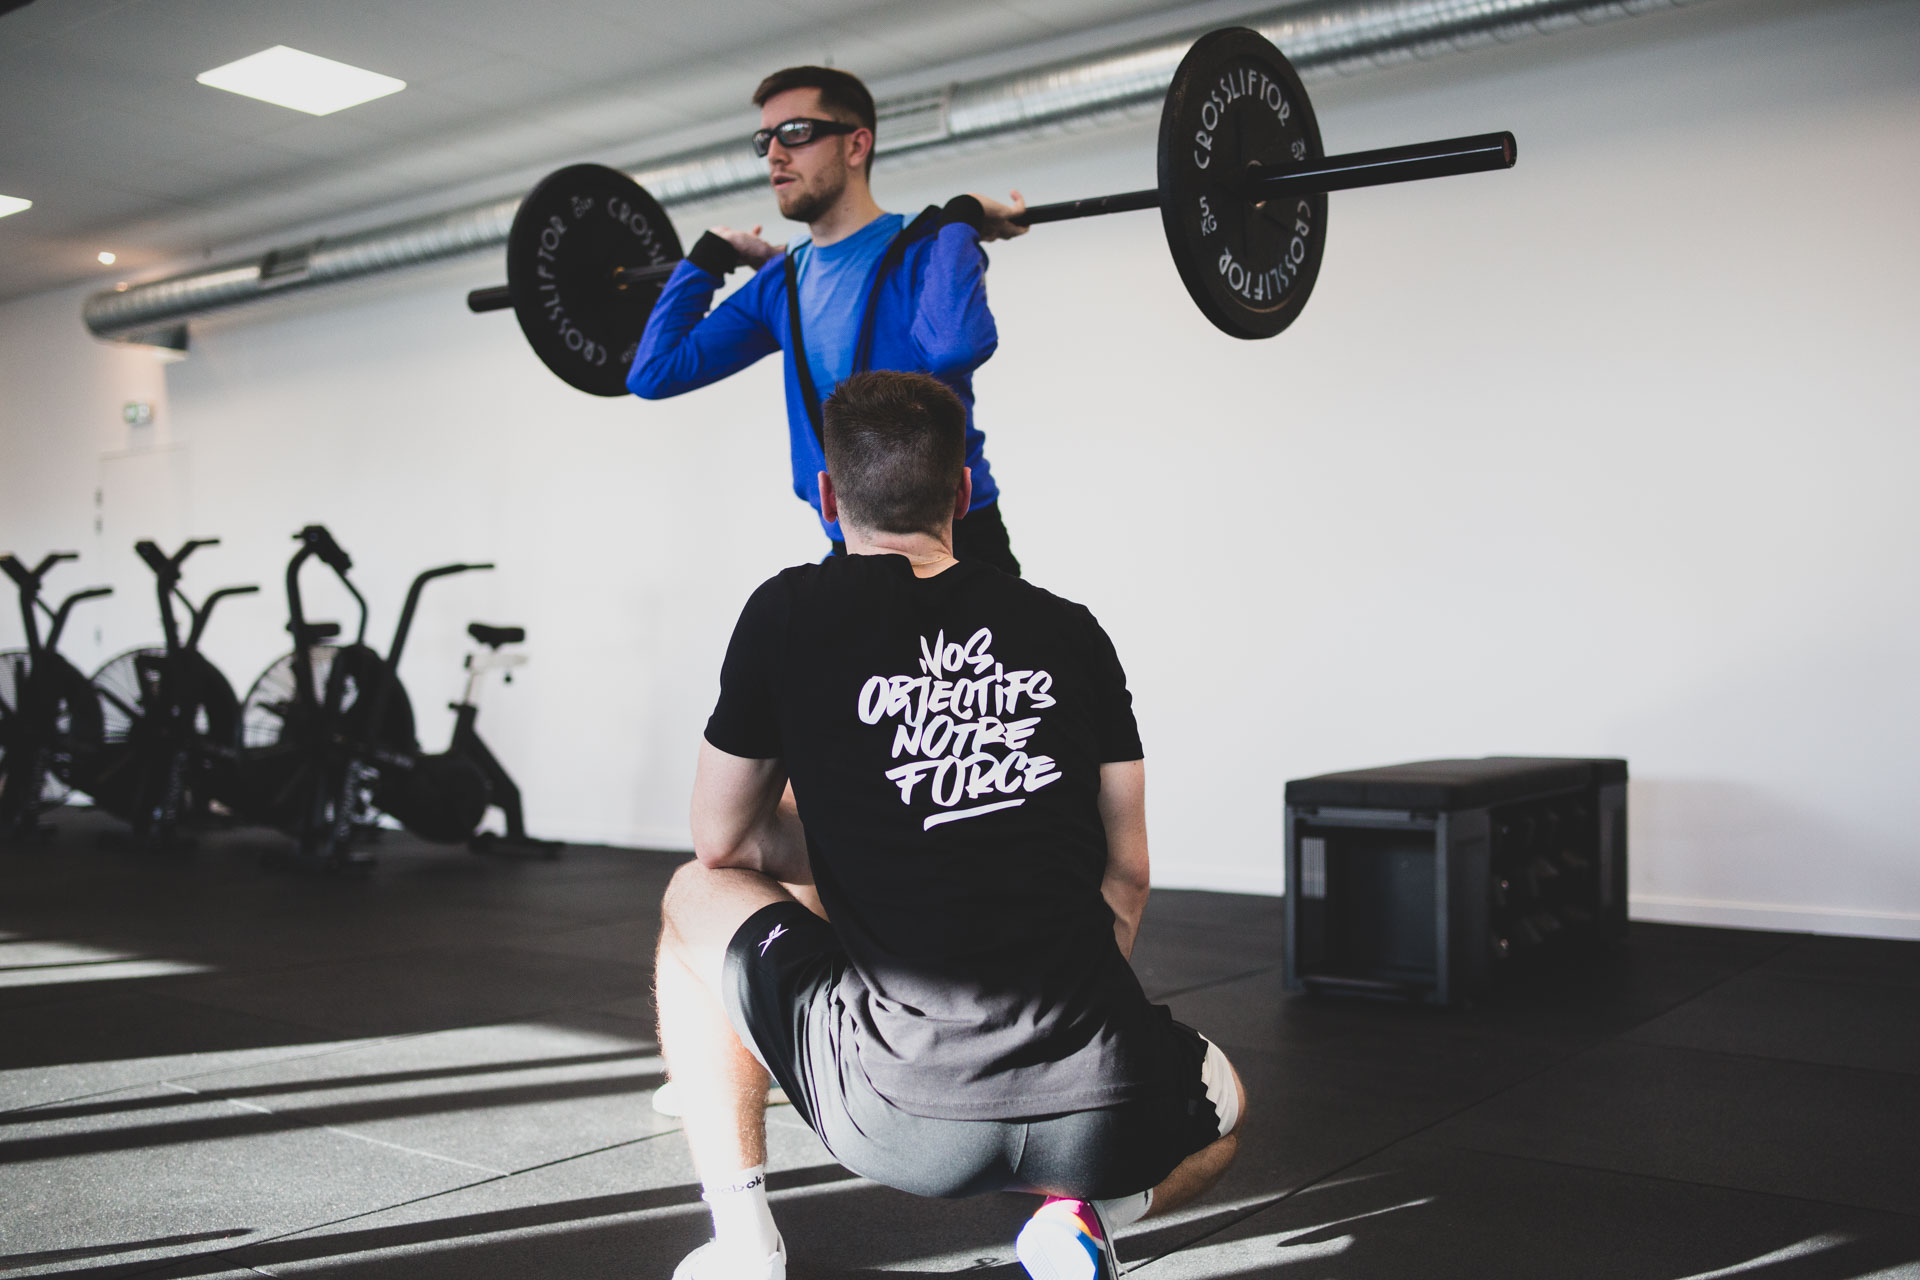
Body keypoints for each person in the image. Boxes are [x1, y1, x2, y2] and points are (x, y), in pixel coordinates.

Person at [656, 370, 1246, 1280]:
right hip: (1106, 1109)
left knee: (688, 897)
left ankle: (743, 1243)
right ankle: (1086, 1219)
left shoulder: (786, 612)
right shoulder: (1071, 629)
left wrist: (870, 826)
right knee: (1226, 1111)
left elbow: (720, 842)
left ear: (826, 495)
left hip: (897, 1120)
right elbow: (1127, 870)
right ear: (964, 493)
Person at [627, 65, 1028, 576]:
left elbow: (952, 347)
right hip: (851, 545)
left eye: (795, 132)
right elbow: (653, 372)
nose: (774, 152)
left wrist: (961, 216)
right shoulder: (781, 285)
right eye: (765, 139)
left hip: (956, 539)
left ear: (856, 146)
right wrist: (708, 257)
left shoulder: (927, 249)